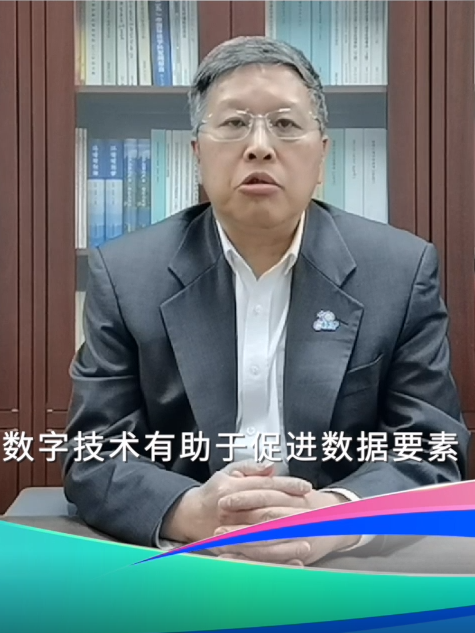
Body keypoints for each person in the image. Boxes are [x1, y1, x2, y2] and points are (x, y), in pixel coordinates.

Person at [62, 36, 469, 567]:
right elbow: (93, 455)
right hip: (184, 564)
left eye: (285, 123)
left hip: (344, 565)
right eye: (234, 123)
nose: (259, 146)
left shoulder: (399, 271)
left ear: (322, 154)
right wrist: (192, 512)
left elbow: (432, 449)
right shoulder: (126, 274)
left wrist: (331, 516)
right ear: (197, 154)